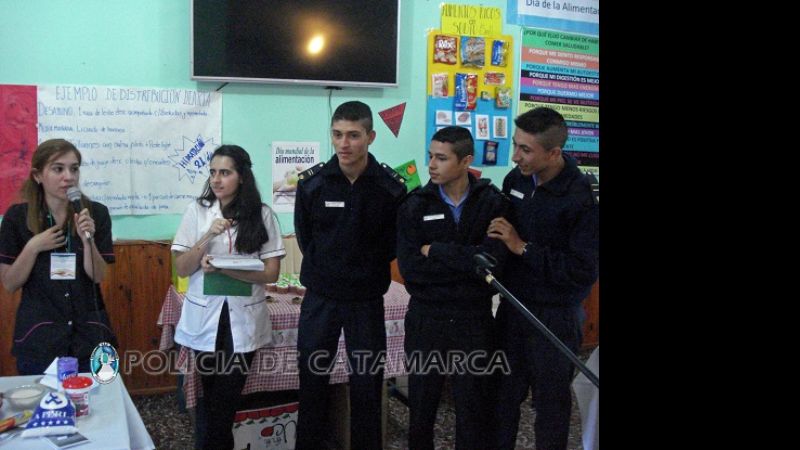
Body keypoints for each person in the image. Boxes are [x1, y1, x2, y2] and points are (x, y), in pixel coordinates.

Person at [293, 100, 406, 449]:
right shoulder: (312, 185)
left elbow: (392, 244)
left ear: (370, 136)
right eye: (338, 134)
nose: (344, 143)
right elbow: (305, 237)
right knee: (312, 379)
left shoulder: (391, 188)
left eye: (354, 135)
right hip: (321, 298)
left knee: (368, 383)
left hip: (365, 299)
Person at [487, 107, 599, 450]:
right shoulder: (515, 179)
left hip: (555, 316)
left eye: (525, 150)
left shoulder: (583, 199)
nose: (515, 156)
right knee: (502, 398)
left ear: (554, 153)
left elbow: (581, 269)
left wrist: (523, 248)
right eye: (515, 145)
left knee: (551, 406)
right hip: (513, 308)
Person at [396, 126, 510, 450]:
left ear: (466, 161)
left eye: (441, 158)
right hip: (426, 318)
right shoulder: (413, 205)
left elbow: (492, 263)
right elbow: (411, 270)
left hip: (473, 320)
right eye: (430, 156)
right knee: (421, 405)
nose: (431, 164)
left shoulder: (493, 203)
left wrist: (437, 251)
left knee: (472, 406)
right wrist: (468, 263)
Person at [171, 145, 285, 450]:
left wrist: (227, 270)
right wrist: (208, 235)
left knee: (226, 399)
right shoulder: (197, 211)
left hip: (242, 321)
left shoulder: (263, 215)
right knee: (210, 397)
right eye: (213, 173)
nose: (217, 180)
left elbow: (271, 273)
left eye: (226, 173)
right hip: (207, 319)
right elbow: (182, 268)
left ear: (242, 177)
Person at [0, 138, 116, 375]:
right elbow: (10, 283)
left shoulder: (96, 213)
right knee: (44, 408)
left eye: (74, 169)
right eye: (58, 169)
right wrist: (32, 247)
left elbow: (98, 276)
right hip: (40, 337)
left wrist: (88, 241)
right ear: (37, 175)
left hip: (90, 336)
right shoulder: (16, 218)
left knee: (99, 405)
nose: (69, 176)